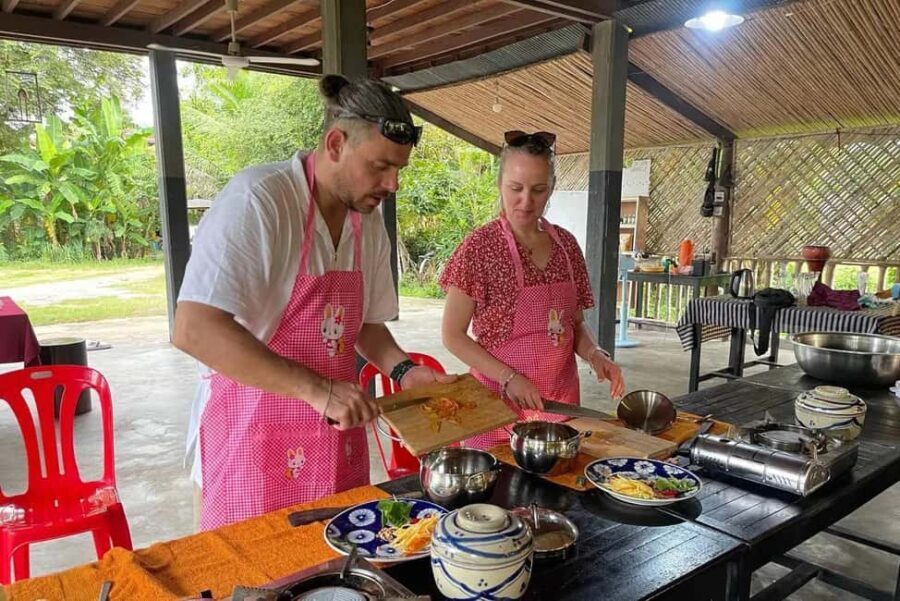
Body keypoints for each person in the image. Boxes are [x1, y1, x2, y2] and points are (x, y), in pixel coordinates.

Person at [174, 74, 452, 530]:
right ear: (336, 143)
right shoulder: (260, 200)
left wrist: (404, 370)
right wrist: (317, 390)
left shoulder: (367, 220)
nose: (393, 183)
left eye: (399, 169)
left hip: (336, 440)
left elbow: (365, 325)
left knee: (337, 554)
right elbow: (194, 328)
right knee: (257, 561)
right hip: (253, 433)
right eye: (380, 166)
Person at [440, 130, 625, 450]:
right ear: (499, 184)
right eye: (516, 188)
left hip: (558, 407)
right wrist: (509, 377)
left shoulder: (566, 245)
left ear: (551, 188)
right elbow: (452, 335)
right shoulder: (480, 247)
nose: (526, 201)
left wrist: (595, 354)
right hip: (494, 408)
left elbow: (574, 324)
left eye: (538, 190)